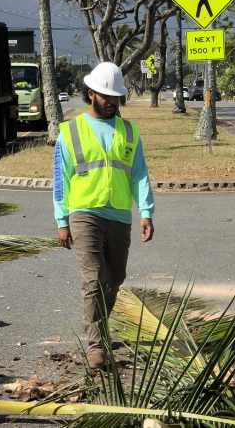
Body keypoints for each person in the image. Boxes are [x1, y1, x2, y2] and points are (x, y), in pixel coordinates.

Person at [53, 62, 155, 369]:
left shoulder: (129, 131)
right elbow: (61, 179)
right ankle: (97, 344)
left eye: (116, 97)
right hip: (84, 213)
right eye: (105, 95)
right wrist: (62, 220)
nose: (112, 102)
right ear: (90, 94)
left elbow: (139, 174)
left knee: (115, 278)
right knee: (95, 279)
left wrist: (146, 212)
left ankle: (99, 325)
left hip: (119, 215)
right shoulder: (70, 132)